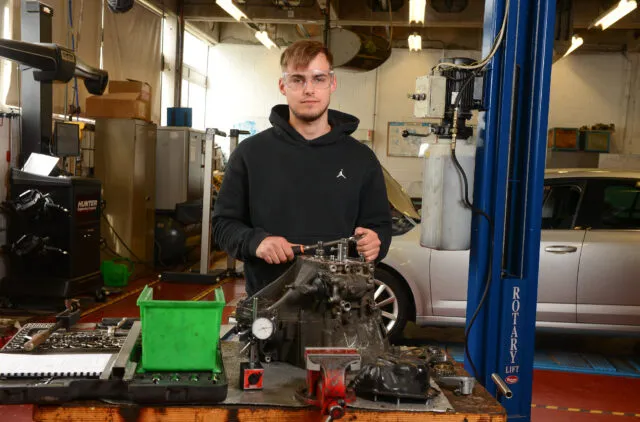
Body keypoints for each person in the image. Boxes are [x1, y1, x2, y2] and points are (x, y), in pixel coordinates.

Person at [212, 40, 392, 296]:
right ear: (283, 85)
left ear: (332, 83)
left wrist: (377, 242)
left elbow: (380, 227)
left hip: (341, 309)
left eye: (318, 79)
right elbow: (223, 225)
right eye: (298, 79)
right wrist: (257, 242)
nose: (309, 89)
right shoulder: (251, 154)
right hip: (269, 306)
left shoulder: (361, 159)